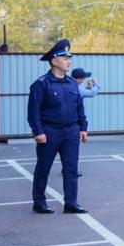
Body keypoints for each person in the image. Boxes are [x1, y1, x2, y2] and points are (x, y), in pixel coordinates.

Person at [26, 39, 87, 214]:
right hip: (49, 132)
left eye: (70, 58)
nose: (69, 61)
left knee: (71, 168)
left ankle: (71, 202)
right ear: (54, 61)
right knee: (43, 168)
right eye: (65, 58)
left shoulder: (71, 84)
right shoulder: (42, 84)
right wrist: (38, 131)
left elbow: (79, 108)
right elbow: (33, 111)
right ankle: (39, 201)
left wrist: (83, 128)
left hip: (71, 132)